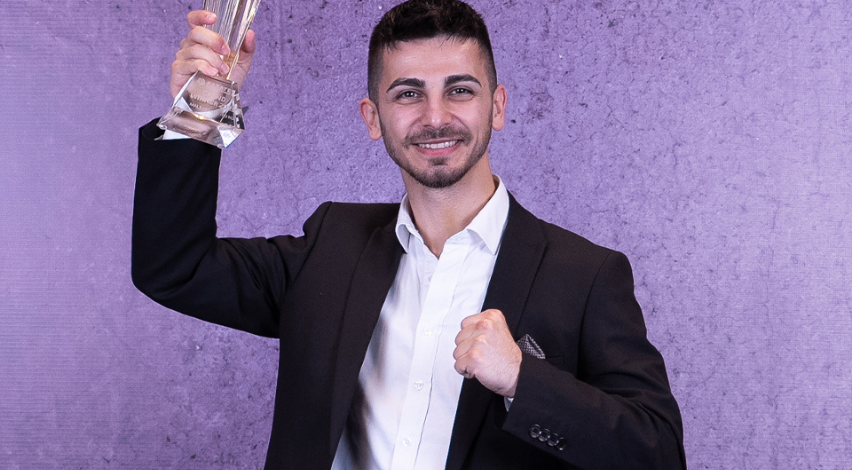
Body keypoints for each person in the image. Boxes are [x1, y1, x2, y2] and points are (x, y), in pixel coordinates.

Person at [132, 0, 687, 468]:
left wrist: (524, 380)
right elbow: (174, 268)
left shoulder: (585, 276)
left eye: (460, 90)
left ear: (497, 107)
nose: (435, 116)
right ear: (373, 118)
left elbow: (658, 451)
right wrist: (197, 112)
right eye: (408, 93)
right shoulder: (331, 247)